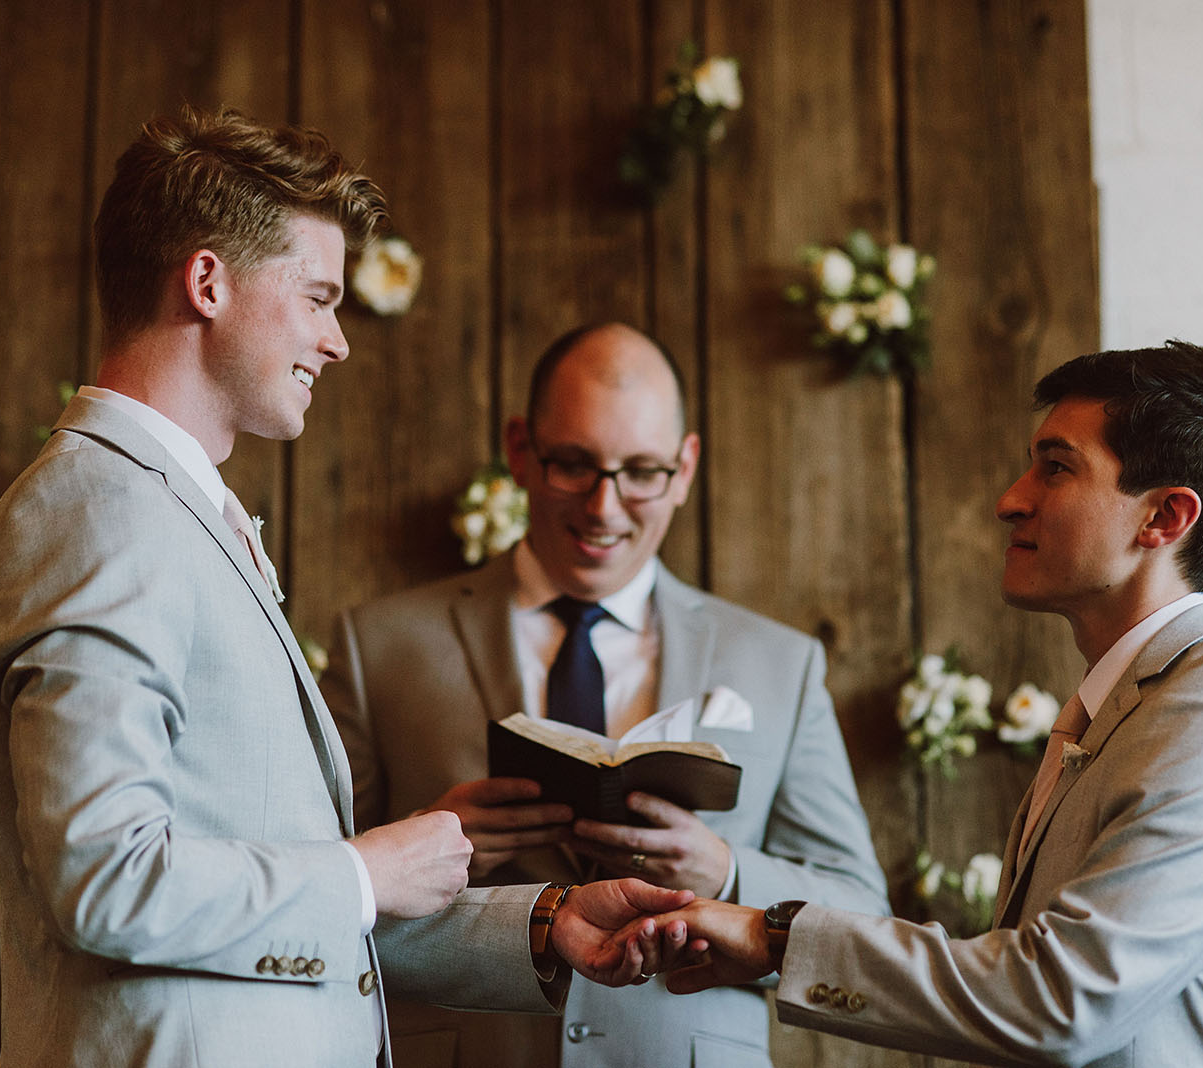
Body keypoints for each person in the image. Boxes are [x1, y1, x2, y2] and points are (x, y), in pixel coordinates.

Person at [0, 108, 691, 1068]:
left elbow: (273, 914)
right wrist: (362, 866)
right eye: (317, 297)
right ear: (207, 282)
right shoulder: (103, 514)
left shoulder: (173, 508)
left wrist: (545, 925)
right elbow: (106, 879)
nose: (338, 341)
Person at [643, 342, 1203, 1068]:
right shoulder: (1127, 707)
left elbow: (1059, 1000)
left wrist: (773, 938)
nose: (1011, 499)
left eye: (1057, 467)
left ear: (1163, 518)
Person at [322, 321, 891, 1068]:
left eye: (642, 471)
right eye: (574, 465)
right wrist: (427, 840)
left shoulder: (780, 663)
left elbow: (864, 914)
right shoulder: (380, 646)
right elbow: (312, 891)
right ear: (521, 448)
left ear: (686, 468)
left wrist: (726, 874)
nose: (604, 506)